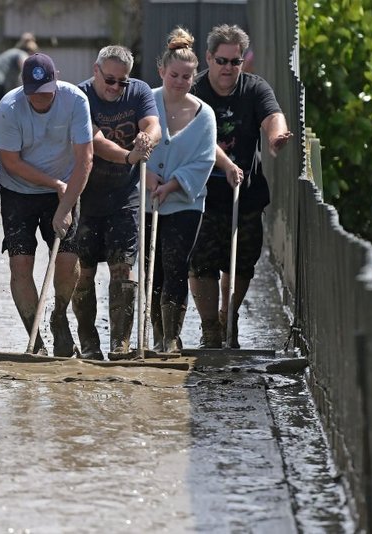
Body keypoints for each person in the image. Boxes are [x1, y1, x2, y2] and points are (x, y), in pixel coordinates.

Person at [189, 24, 292, 348]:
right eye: (222, 61)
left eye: (235, 62)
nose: (228, 69)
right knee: (201, 262)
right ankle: (210, 328)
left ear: (242, 62)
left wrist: (276, 137)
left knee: (243, 262)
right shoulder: (194, 90)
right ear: (209, 58)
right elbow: (191, 134)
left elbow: (273, 115)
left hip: (244, 194)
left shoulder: (254, 88)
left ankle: (228, 314)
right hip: (202, 193)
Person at [0, 53, 93, 356]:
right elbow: (9, 162)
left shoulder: (75, 101)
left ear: (56, 80)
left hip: (65, 188)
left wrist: (64, 206)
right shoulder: (9, 107)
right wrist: (53, 184)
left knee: (67, 263)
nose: (39, 100)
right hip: (19, 192)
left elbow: (85, 159)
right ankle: (35, 340)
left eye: (46, 93)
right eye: (33, 94)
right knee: (20, 264)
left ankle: (59, 315)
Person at [74, 45, 160, 359]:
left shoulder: (139, 92)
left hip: (124, 196)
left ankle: (120, 344)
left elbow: (154, 124)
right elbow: (94, 141)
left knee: (123, 269)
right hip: (85, 195)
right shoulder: (80, 96)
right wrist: (128, 156)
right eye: (109, 79)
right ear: (96, 70)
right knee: (82, 272)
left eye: (121, 82)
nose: (114, 88)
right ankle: (88, 342)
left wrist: (146, 137)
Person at [145, 27, 216, 353]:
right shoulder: (146, 101)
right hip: (146, 201)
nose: (179, 81)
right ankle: (156, 332)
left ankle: (171, 338)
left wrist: (172, 185)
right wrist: (147, 177)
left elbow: (203, 160)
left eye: (187, 77)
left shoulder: (205, 115)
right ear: (162, 71)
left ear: (194, 77)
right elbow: (133, 143)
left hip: (185, 201)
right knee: (151, 268)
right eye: (174, 75)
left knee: (176, 266)